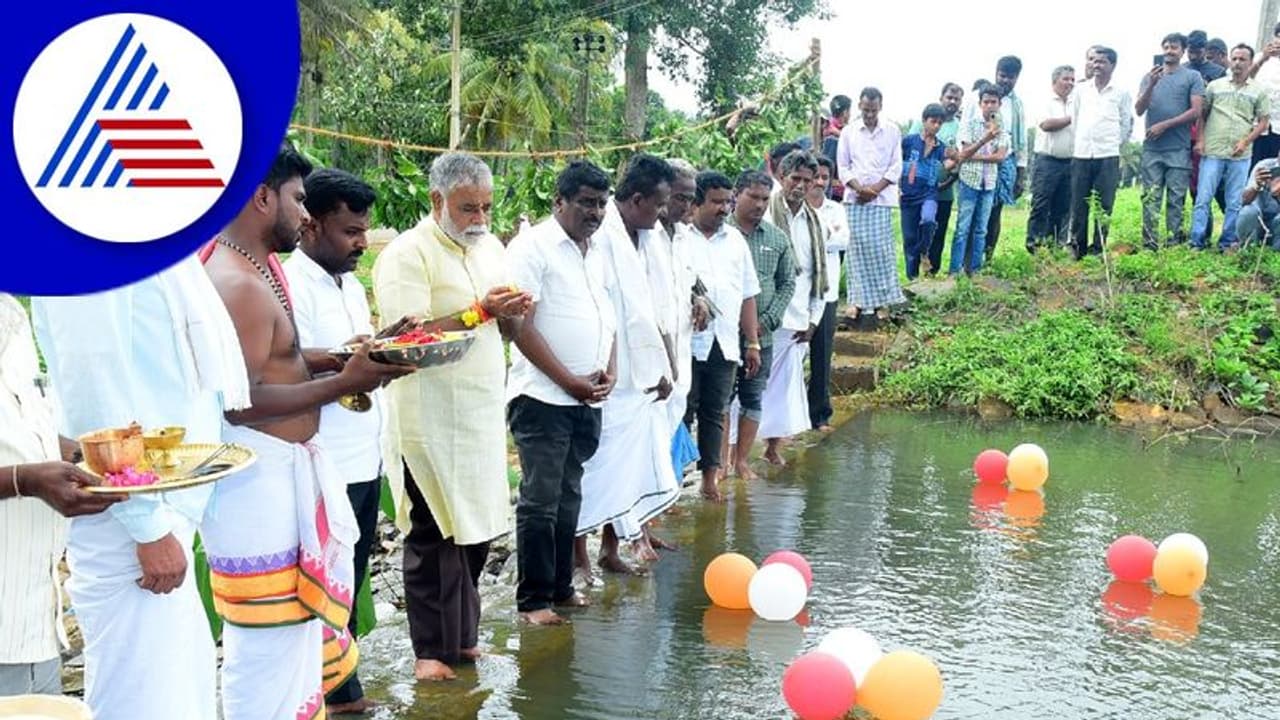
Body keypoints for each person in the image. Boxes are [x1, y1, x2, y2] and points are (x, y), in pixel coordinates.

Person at [202, 145, 412, 720]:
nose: (303, 214)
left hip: (279, 483)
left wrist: (353, 358)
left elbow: (284, 360)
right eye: (298, 199)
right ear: (262, 196)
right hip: (258, 488)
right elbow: (239, 403)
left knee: (292, 643)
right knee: (268, 649)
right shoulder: (238, 281)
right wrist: (344, 381)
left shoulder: (255, 268)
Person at [32, 246, 253, 720]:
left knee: (179, 692)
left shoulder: (152, 247)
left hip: (163, 504)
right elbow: (94, 394)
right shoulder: (88, 252)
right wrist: (146, 526)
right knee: (145, 699)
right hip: (130, 516)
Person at [373, 151, 530, 677]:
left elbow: (497, 318)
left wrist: (511, 311)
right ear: (436, 200)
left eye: (486, 207)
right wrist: (480, 310)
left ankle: (463, 639)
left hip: (480, 413)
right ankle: (430, 654)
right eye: (468, 209)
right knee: (434, 532)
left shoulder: (488, 249)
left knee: (477, 526)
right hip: (429, 417)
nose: (480, 220)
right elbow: (405, 339)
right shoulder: (406, 255)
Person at [282, 168, 402, 710]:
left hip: (361, 457)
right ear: (310, 225)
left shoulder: (350, 283)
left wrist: (388, 345)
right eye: (350, 232)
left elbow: (354, 354)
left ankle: (340, 687)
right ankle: (333, 693)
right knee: (321, 584)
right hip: (322, 458)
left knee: (348, 579)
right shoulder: (288, 285)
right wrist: (345, 358)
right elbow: (285, 362)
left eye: (363, 231)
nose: (361, 243)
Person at [506, 160, 617, 626]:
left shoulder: (598, 250)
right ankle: (533, 601)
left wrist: (609, 371)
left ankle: (560, 587)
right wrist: (567, 380)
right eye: (586, 203)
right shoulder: (532, 248)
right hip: (542, 398)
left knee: (570, 495)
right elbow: (517, 324)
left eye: (601, 203)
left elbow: (605, 315)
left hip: (585, 397)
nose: (595, 212)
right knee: (541, 499)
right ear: (559, 203)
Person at [1, 295, 124, 699]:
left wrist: (96, 457)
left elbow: (21, 425)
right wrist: (26, 481)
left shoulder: (10, 311)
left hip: (31, 614)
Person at [575, 154, 679, 576]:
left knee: (628, 467)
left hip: (642, 373)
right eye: (658, 204)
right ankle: (577, 555)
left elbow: (656, 308)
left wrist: (667, 367)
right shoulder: (601, 236)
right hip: (602, 370)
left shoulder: (649, 238)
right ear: (636, 199)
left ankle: (610, 549)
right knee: (592, 466)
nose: (664, 212)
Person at [682, 171, 761, 502]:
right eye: (716, 202)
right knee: (682, 412)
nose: (724, 208)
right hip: (685, 342)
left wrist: (753, 342)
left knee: (716, 412)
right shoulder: (679, 238)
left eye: (727, 202)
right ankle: (673, 479)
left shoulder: (735, 241)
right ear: (697, 202)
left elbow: (747, 295)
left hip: (724, 342)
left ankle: (710, 479)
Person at [725, 170, 794, 478]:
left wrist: (766, 321)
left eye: (765, 199)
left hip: (762, 337)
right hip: (724, 334)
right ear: (736, 195)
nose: (760, 204)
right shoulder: (722, 233)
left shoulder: (777, 239)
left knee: (753, 397)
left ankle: (741, 461)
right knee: (722, 398)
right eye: (753, 196)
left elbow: (787, 284)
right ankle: (721, 461)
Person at [759, 151, 825, 465]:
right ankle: (732, 455)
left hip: (799, 317)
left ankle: (773, 447)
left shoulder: (815, 221)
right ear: (782, 178)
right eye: (794, 179)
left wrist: (814, 319)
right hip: (766, 314)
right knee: (750, 384)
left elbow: (822, 274)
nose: (800, 186)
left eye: (806, 181)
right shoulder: (767, 213)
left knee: (783, 388)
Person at [1191, 44, 1270, 251]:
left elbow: (1263, 122)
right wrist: (1200, 140)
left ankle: (1227, 242)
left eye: (1242, 59)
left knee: (1234, 201)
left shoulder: (1258, 91)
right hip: (1214, 151)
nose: (1237, 63)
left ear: (1250, 62)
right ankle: (1196, 241)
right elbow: (1202, 115)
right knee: (1203, 198)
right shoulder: (1215, 86)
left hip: (1241, 154)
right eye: (1234, 58)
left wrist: (1245, 141)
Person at [837, 87, 905, 324]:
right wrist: (859, 188)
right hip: (854, 199)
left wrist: (875, 189)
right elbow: (843, 167)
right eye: (865, 110)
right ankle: (856, 301)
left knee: (880, 250)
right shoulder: (848, 132)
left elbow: (896, 166)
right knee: (856, 249)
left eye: (873, 110)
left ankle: (882, 301)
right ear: (859, 106)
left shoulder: (892, 131)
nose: (869, 115)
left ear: (880, 107)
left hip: (882, 198)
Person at [659, 159, 709, 484]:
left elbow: (690, 280)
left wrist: (698, 298)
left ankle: (651, 523)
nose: (687, 206)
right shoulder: (641, 235)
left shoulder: (683, 237)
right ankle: (632, 531)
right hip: (652, 360)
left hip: (680, 352)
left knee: (670, 426)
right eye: (679, 197)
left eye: (691, 199)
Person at [1136, 33, 1204, 249]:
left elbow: (1196, 111)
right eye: (1165, 46)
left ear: (1182, 50)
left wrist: (1164, 125)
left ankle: (1174, 244)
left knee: (1176, 199)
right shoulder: (1149, 77)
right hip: (1152, 149)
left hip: (1178, 147)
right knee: (1150, 198)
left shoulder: (1192, 77)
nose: (1168, 50)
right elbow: (1138, 110)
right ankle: (1150, 245)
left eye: (1173, 47)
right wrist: (1151, 85)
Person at [1070, 46, 1133, 258]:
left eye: (1102, 61)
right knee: (1079, 203)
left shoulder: (1121, 92)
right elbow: (1075, 119)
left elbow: (1125, 122)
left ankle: (1098, 248)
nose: (1097, 65)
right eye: (1094, 61)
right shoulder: (1080, 90)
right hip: (1082, 154)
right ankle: (1077, 248)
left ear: (1113, 65)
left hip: (1108, 154)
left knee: (1104, 203)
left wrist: (1115, 143)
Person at [806, 155, 849, 432]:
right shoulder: (793, 209)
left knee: (822, 356)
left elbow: (842, 240)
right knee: (791, 357)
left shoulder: (836, 209)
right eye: (816, 177)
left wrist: (821, 236)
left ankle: (819, 415)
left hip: (828, 292)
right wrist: (826, 235)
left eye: (825, 177)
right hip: (799, 293)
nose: (820, 182)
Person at [949, 84, 1008, 275]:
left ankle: (975, 271)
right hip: (969, 181)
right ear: (980, 103)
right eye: (986, 102)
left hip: (989, 182)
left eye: (994, 102)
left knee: (981, 230)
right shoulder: (969, 123)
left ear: (999, 104)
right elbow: (963, 154)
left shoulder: (1002, 127)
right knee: (962, 229)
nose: (990, 106)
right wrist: (985, 139)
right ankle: (954, 271)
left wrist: (974, 155)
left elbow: (1000, 157)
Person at [982, 56, 1028, 262]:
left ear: (1017, 78)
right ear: (995, 72)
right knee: (977, 211)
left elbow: (1021, 141)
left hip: (1005, 162)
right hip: (980, 160)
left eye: (1011, 77)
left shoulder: (1017, 105)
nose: (1005, 81)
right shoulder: (983, 97)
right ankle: (969, 260)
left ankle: (988, 257)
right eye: (1002, 75)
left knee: (995, 211)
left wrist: (1021, 174)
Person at [1027, 66, 1077, 251]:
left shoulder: (1075, 102)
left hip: (1070, 162)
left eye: (1072, 79)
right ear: (1054, 81)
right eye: (1066, 79)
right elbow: (1046, 124)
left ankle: (1056, 246)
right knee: (1041, 205)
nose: (1070, 83)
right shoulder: (1045, 100)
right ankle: (1035, 245)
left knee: (1063, 207)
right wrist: (1071, 118)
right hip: (1047, 161)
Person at [900, 104, 951, 278]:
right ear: (924, 121)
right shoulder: (909, 141)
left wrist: (957, 160)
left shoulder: (941, 148)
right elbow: (895, 161)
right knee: (909, 238)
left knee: (929, 220)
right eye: (933, 121)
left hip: (929, 193)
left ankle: (923, 252)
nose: (936, 126)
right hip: (907, 195)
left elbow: (948, 165)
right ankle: (912, 278)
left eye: (939, 123)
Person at [1248, 23, 1280, 167]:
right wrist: (1263, 59)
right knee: (1252, 169)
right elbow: (1244, 80)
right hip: (1256, 126)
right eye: (1278, 37)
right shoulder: (1260, 57)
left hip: (1278, 126)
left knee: (1273, 171)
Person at [1238, 157, 1280, 248]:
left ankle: (1276, 253)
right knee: (1248, 211)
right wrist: (1256, 185)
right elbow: (1244, 201)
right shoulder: (1264, 166)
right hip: (1258, 223)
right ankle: (1248, 249)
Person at [822, 95, 852, 201]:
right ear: (845, 112)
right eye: (849, 111)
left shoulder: (843, 130)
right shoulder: (829, 132)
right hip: (833, 186)